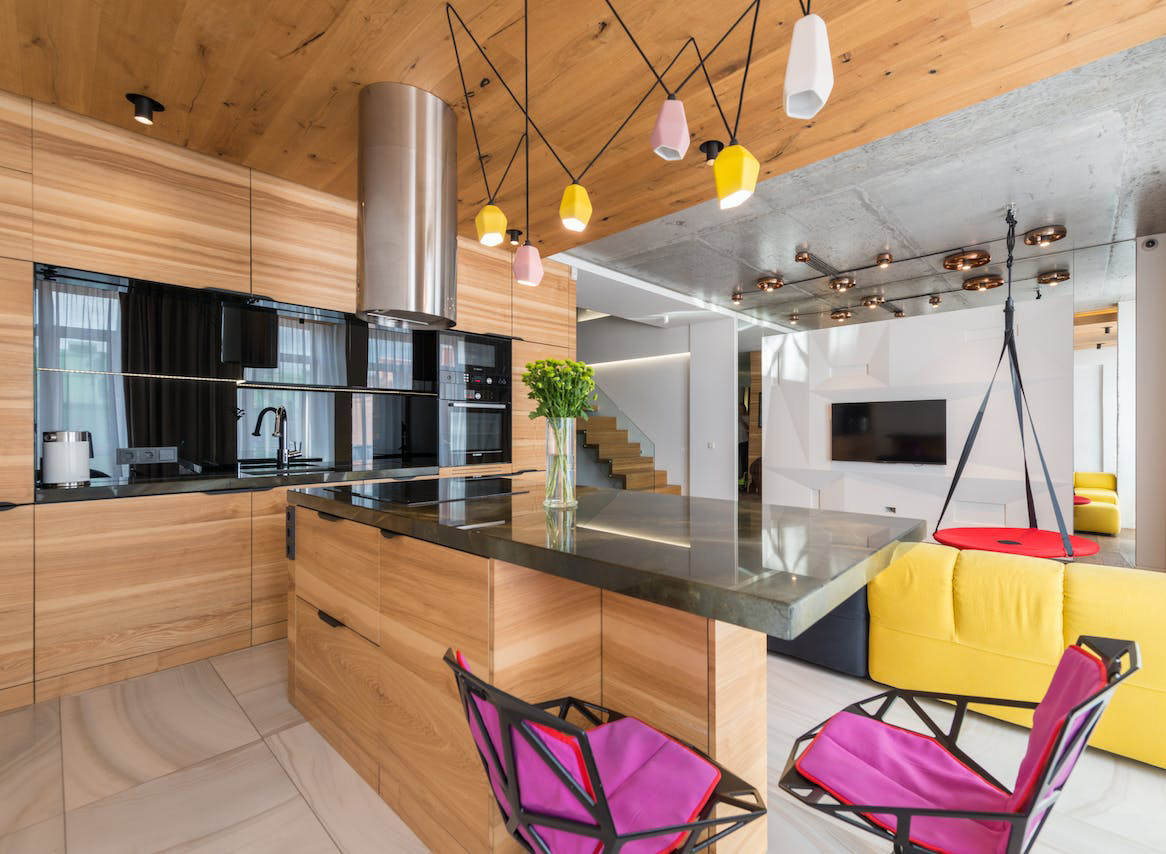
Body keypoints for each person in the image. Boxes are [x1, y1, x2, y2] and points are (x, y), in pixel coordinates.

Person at [738, 401, 749, 490]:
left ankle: (744, 482)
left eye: (741, 408)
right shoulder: (734, 417)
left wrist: (741, 420)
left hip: (744, 442)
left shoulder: (747, 417)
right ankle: (739, 481)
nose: (739, 410)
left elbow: (749, 429)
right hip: (736, 442)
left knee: (743, 462)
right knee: (738, 463)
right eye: (738, 408)